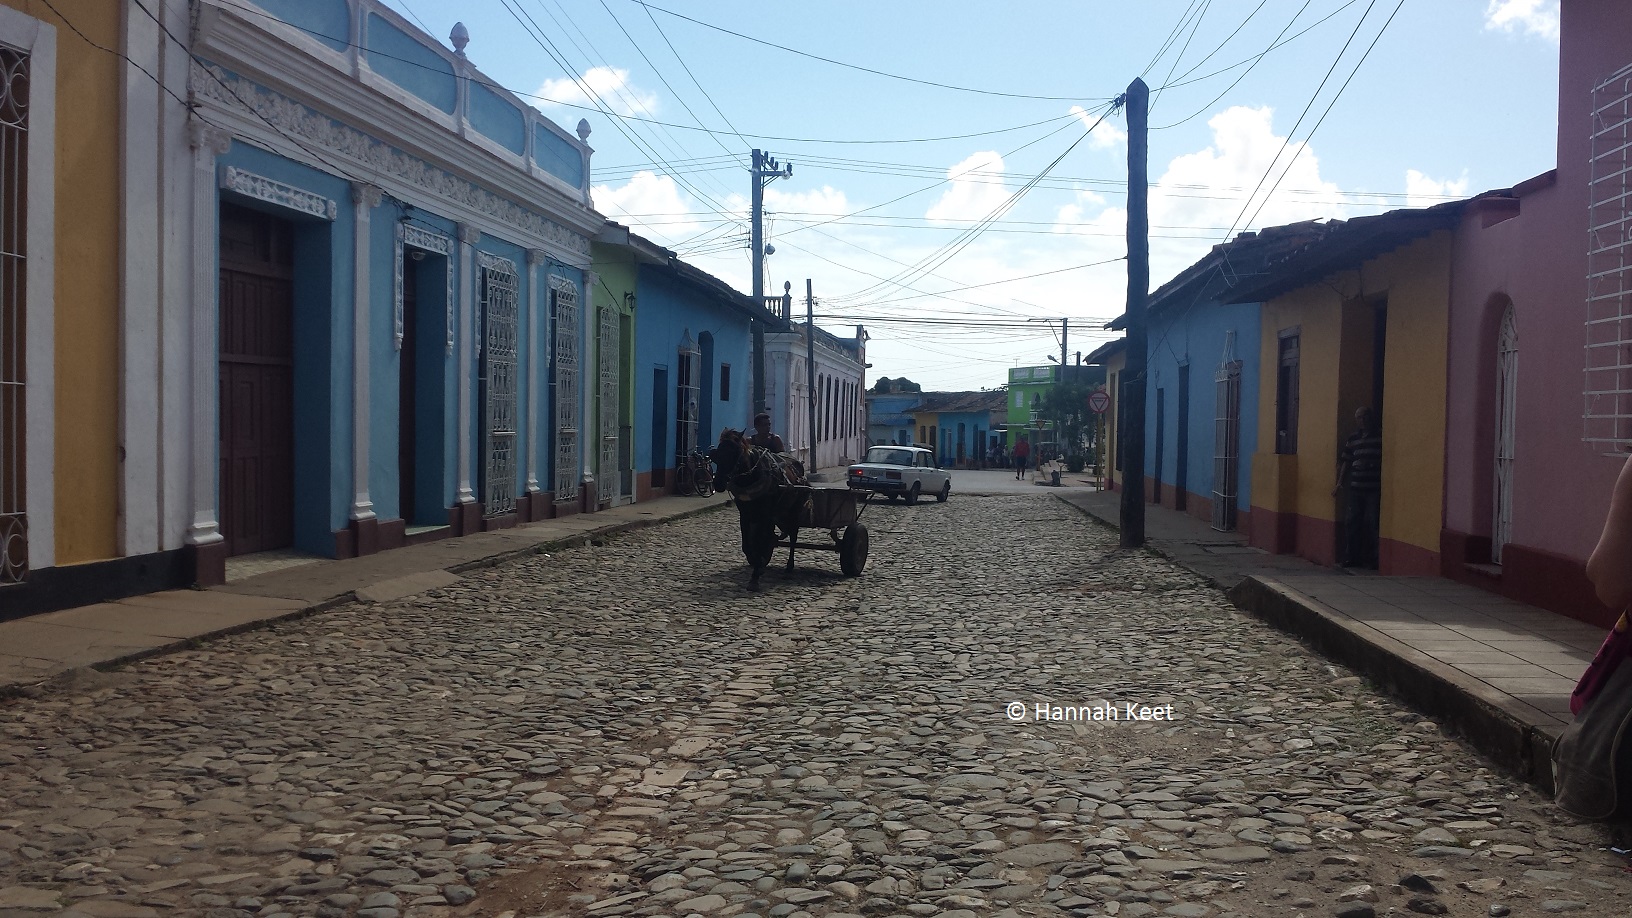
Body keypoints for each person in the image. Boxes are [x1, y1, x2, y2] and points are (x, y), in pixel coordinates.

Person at [1335, 407, 1381, 568]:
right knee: (1352, 522)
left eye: (1364, 417)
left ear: (1370, 418)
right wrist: (1340, 482)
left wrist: (1369, 464)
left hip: (1373, 488)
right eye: (1358, 418)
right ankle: (1352, 557)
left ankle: (1375, 559)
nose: (1362, 420)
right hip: (1356, 487)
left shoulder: (1380, 436)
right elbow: (1346, 461)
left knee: (1373, 522)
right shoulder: (1353, 438)